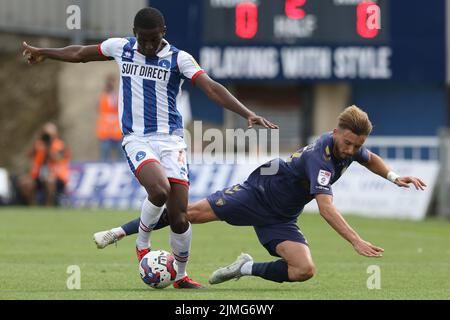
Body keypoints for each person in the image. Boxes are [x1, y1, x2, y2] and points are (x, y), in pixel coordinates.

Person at [23, 7, 277, 288]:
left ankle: (180, 277)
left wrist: (246, 114)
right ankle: (141, 244)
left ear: (163, 33)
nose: (148, 45)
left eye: (153, 39)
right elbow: (80, 53)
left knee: (180, 218)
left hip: (172, 142)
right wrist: (45, 52)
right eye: (143, 39)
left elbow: (211, 87)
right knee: (159, 190)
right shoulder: (121, 48)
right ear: (135, 34)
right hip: (137, 138)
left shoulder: (179, 59)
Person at [93, 105, 426, 285]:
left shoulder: (350, 149)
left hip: (281, 218)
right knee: (188, 214)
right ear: (336, 132)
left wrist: (394, 177)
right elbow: (326, 208)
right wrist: (355, 240)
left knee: (303, 270)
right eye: (348, 143)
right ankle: (120, 232)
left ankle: (244, 268)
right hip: (257, 193)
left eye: (357, 145)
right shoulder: (320, 158)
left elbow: (370, 160)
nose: (352, 149)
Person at [28, 122, 71, 206]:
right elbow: (29, 154)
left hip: (56, 175)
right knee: (26, 183)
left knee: (50, 181)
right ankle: (32, 205)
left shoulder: (60, 144)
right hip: (39, 173)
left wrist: (48, 148)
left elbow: (58, 158)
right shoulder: (38, 143)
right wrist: (36, 142)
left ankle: (49, 205)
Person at [96, 74, 123, 161]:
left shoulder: (117, 96)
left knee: (121, 153)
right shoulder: (103, 96)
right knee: (105, 153)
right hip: (105, 131)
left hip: (117, 131)